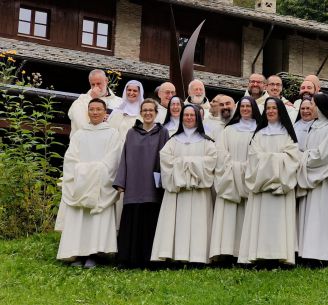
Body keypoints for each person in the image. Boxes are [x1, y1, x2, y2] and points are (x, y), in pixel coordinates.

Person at [56, 98, 122, 268]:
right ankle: (77, 253)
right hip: (80, 185)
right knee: (80, 219)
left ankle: (94, 253)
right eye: (91, 109)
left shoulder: (112, 134)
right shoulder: (79, 134)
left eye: (98, 109)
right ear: (88, 112)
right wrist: (82, 173)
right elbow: (70, 158)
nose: (94, 112)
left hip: (101, 185)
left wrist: (97, 172)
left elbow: (113, 159)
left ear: (105, 112)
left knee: (96, 220)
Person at [151, 104, 218, 264]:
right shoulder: (173, 140)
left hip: (199, 192)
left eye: (192, 115)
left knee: (199, 224)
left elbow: (212, 161)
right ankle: (174, 255)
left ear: (198, 118)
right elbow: (165, 159)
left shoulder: (207, 141)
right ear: (181, 118)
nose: (189, 118)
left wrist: (183, 164)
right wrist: (191, 166)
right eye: (186, 115)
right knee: (176, 223)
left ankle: (198, 257)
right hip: (178, 192)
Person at [238, 97, 300, 265]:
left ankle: (281, 256)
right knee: (261, 224)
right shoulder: (258, 134)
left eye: (274, 108)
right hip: (262, 190)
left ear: (280, 111)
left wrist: (268, 162)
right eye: (268, 108)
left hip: (280, 188)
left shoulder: (288, 134)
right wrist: (275, 162)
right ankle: (258, 255)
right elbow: (253, 158)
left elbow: (293, 158)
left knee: (279, 223)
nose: (271, 111)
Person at [114, 99, 170, 268]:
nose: (147, 113)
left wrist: (163, 182)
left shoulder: (163, 132)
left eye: (151, 110)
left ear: (156, 113)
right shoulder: (131, 133)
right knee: (131, 221)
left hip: (152, 185)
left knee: (149, 223)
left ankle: (148, 260)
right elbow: (124, 156)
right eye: (144, 110)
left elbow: (165, 158)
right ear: (140, 112)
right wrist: (121, 181)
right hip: (133, 184)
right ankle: (127, 259)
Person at [210, 96, 263, 260]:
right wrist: (235, 169)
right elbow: (220, 153)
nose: (245, 109)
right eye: (243, 106)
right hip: (230, 179)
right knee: (229, 216)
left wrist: (248, 169)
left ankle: (246, 252)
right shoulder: (228, 130)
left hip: (251, 177)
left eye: (249, 106)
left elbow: (261, 154)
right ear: (239, 109)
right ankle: (227, 252)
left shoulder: (260, 130)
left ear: (254, 108)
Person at [296, 93, 328, 262]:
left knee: (324, 217)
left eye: (313, 105)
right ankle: (309, 252)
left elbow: (325, 155)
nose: (311, 108)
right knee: (312, 217)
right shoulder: (315, 126)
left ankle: (326, 254)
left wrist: (302, 158)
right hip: (315, 179)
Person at [68, 69, 122, 138]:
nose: (96, 87)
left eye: (99, 83)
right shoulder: (81, 101)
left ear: (106, 81)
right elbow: (79, 122)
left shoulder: (119, 102)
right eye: (93, 84)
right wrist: (92, 98)